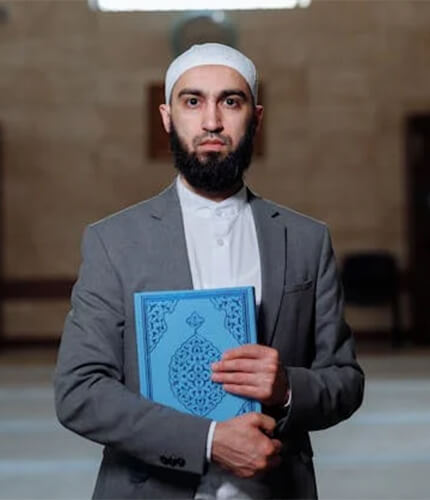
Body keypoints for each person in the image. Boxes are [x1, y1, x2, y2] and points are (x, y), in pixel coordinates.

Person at [54, 43, 364, 500]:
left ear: (256, 118)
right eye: (193, 101)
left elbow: (345, 380)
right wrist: (208, 440)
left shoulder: (306, 240)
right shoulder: (113, 242)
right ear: (167, 117)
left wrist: (286, 388)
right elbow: (79, 391)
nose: (212, 121)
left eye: (231, 102)